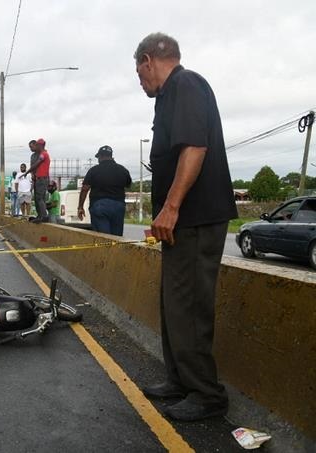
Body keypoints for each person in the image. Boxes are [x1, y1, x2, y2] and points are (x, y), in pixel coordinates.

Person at [134, 32, 238, 421]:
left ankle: (207, 394)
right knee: (174, 303)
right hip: (182, 221)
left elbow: (195, 146)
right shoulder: (169, 96)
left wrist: (172, 207)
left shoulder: (186, 83)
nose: (139, 80)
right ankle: (179, 380)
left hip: (196, 216)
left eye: (138, 72)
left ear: (148, 60)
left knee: (191, 305)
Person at [77, 145, 132, 236]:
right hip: (118, 206)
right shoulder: (123, 170)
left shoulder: (94, 170)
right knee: (116, 238)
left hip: (100, 206)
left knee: (103, 238)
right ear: (111, 156)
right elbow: (128, 185)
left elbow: (85, 189)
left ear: (101, 156)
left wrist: (80, 207)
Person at [26, 138, 51, 223]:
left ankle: (43, 216)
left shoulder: (42, 154)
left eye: (32, 147)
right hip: (36, 178)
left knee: (40, 198)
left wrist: (27, 172)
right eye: (30, 147)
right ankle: (40, 215)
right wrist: (32, 175)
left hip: (42, 178)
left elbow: (37, 165)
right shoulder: (33, 156)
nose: (31, 149)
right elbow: (32, 166)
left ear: (36, 145)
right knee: (37, 198)